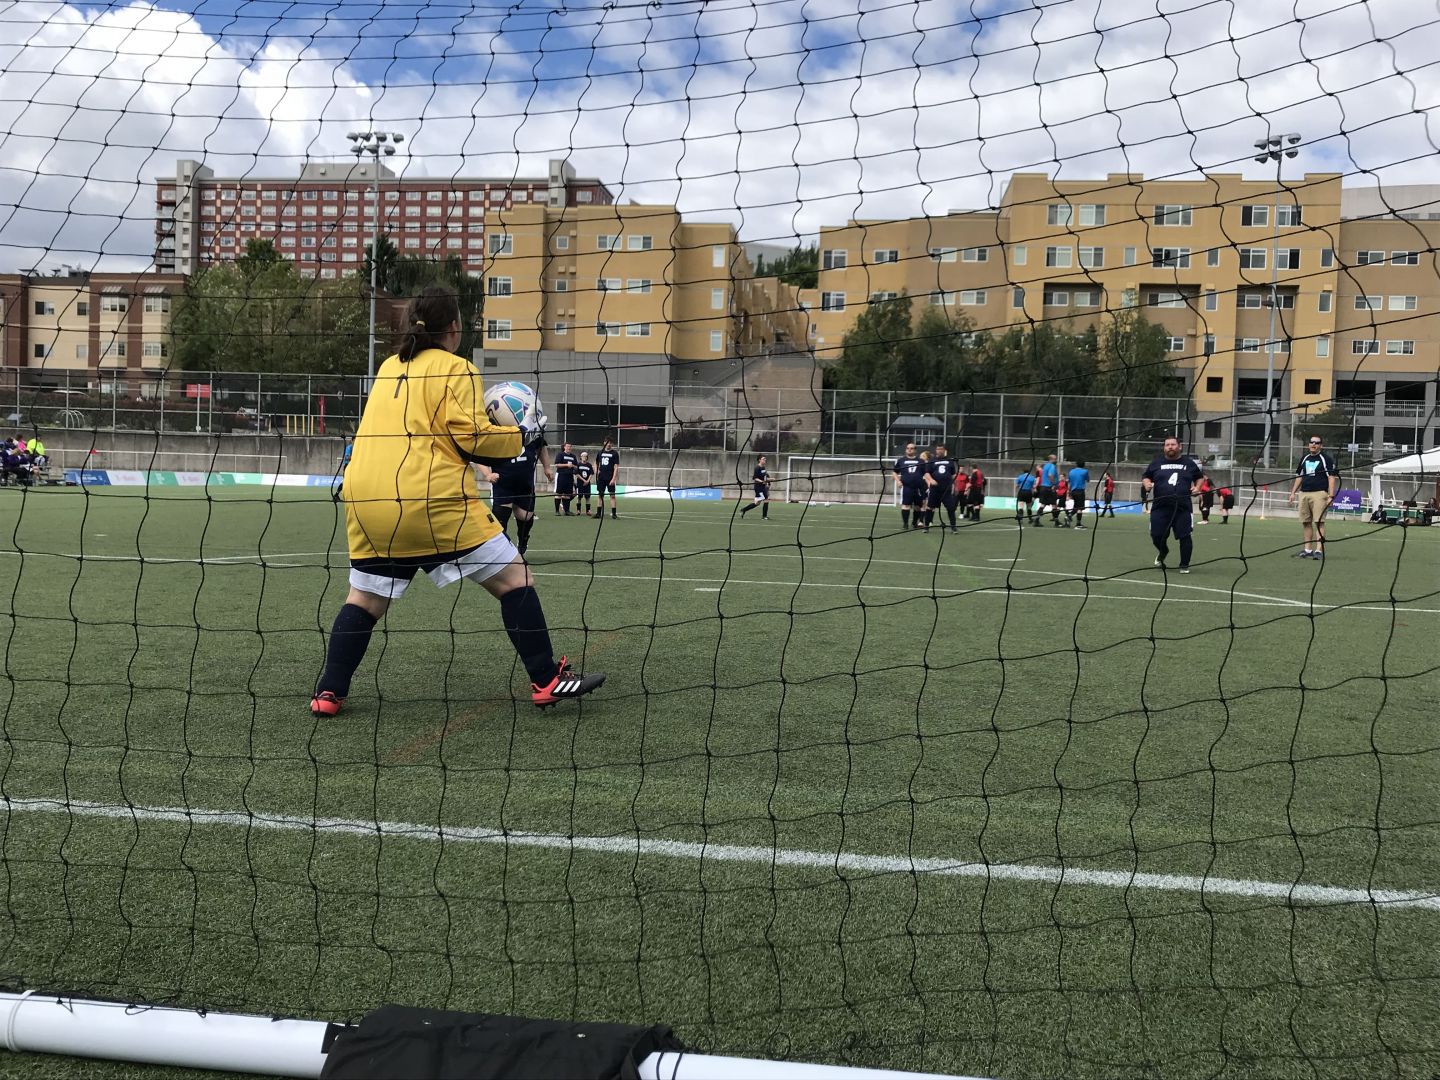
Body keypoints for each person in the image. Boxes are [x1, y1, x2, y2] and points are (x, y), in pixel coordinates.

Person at [310, 286, 603, 717]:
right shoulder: (458, 369)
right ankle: (546, 680)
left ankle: (328, 693)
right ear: (454, 328)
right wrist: (522, 435)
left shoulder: (389, 367)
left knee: (366, 600)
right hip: (430, 499)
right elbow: (472, 438)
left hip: (367, 497)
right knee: (514, 579)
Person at [1141, 436, 1205, 573]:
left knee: (1185, 536)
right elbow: (1146, 476)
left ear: (1179, 446)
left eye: (1173, 444)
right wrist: (1146, 484)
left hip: (1182, 507)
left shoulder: (1189, 463)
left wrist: (1198, 487)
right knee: (1156, 535)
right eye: (1167, 445)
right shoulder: (1156, 463)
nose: (1170, 447)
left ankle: (1184, 565)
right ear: (1164, 447)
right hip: (1160, 507)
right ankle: (1163, 551)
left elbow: (1199, 477)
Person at [492, 435, 554, 557]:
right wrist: (488, 473)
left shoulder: (531, 429)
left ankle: (523, 537)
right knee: (500, 518)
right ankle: (503, 552)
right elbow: (480, 451)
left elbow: (541, 445)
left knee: (525, 517)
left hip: (525, 483)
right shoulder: (494, 428)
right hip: (503, 482)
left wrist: (547, 467)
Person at [1288, 434, 1339, 559]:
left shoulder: (1325, 459)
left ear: (1321, 445)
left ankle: (1319, 551)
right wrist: (1293, 492)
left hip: (1319, 493)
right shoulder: (1305, 458)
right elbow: (1299, 476)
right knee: (1306, 522)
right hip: (1304, 493)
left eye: (1317, 443)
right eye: (1312, 442)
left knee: (1319, 522)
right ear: (1308, 445)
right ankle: (1307, 549)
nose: (1314, 444)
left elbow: (1331, 477)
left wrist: (1331, 496)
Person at [892, 442, 929, 530]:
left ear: (915, 450)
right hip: (907, 487)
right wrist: (898, 481)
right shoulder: (901, 460)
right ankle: (905, 524)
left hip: (918, 488)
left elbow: (926, 473)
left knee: (917, 506)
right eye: (908, 448)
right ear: (906, 449)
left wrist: (929, 483)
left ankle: (914, 523)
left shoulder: (921, 461)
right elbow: (894, 472)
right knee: (905, 505)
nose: (909, 449)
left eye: (912, 448)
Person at [928, 445, 960, 532]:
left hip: (946, 490)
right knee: (930, 507)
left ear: (944, 450)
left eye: (941, 449)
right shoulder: (932, 460)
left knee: (951, 507)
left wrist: (956, 486)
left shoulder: (949, 461)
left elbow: (953, 475)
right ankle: (926, 526)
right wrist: (931, 480)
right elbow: (927, 473)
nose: (939, 451)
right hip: (935, 489)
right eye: (937, 449)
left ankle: (953, 527)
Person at [595, 438, 621, 520]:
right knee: (600, 495)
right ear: (604, 443)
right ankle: (598, 513)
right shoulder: (600, 452)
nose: (609, 444)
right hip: (601, 477)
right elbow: (596, 463)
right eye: (607, 442)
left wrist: (613, 479)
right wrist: (597, 471)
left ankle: (614, 514)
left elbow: (616, 467)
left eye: (610, 443)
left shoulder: (615, 453)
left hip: (610, 477)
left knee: (612, 495)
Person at [740, 454, 772, 519]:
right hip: (758, 487)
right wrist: (761, 481)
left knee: (757, 503)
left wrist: (770, 480)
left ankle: (743, 509)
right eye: (763, 459)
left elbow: (765, 477)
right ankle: (764, 516)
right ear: (759, 460)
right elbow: (755, 478)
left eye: (765, 459)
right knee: (766, 499)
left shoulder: (763, 468)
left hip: (762, 487)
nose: (765, 460)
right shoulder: (757, 468)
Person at [552, 442, 578, 515]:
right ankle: (557, 511)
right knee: (558, 493)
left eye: (570, 446)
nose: (569, 448)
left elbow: (576, 466)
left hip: (570, 476)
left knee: (567, 494)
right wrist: (567, 465)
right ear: (564, 447)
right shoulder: (560, 454)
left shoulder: (573, 456)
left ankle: (566, 511)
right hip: (561, 475)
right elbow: (556, 464)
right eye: (567, 446)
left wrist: (573, 466)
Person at [1034, 454, 1059, 527]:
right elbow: (1050, 475)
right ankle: (1056, 522)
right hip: (1049, 488)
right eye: (1055, 459)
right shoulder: (1052, 466)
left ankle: (1036, 520)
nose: (1056, 460)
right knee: (1054, 504)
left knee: (1043, 504)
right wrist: (1053, 484)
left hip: (1043, 487)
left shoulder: (1045, 466)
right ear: (1051, 459)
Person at [1067, 460, 1090, 529]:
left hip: (1073, 491)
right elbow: (1088, 480)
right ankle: (1078, 524)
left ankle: (1069, 516)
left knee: (1076, 507)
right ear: (1084, 465)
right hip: (1080, 491)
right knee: (1080, 508)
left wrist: (1068, 492)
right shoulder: (1085, 471)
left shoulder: (1071, 471)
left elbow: (1069, 482)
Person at [575, 452, 595, 516]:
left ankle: (588, 510)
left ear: (587, 457)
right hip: (580, 484)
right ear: (580, 457)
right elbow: (577, 474)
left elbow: (591, 473)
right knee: (579, 497)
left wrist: (587, 481)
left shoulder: (589, 465)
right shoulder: (578, 465)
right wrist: (584, 480)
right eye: (583, 456)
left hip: (587, 484)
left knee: (587, 497)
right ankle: (578, 510)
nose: (584, 457)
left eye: (586, 456)